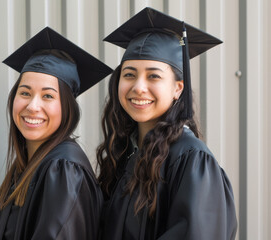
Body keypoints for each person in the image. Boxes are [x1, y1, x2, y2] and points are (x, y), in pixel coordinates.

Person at [97, 7, 237, 240]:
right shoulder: (124, 154)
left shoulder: (192, 160)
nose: (138, 87)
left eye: (153, 76)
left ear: (177, 88)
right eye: (129, 74)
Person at [0, 27, 112, 240]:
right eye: (25, 92)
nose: (33, 106)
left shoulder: (63, 169)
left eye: (47, 96)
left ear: (67, 107)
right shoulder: (29, 165)